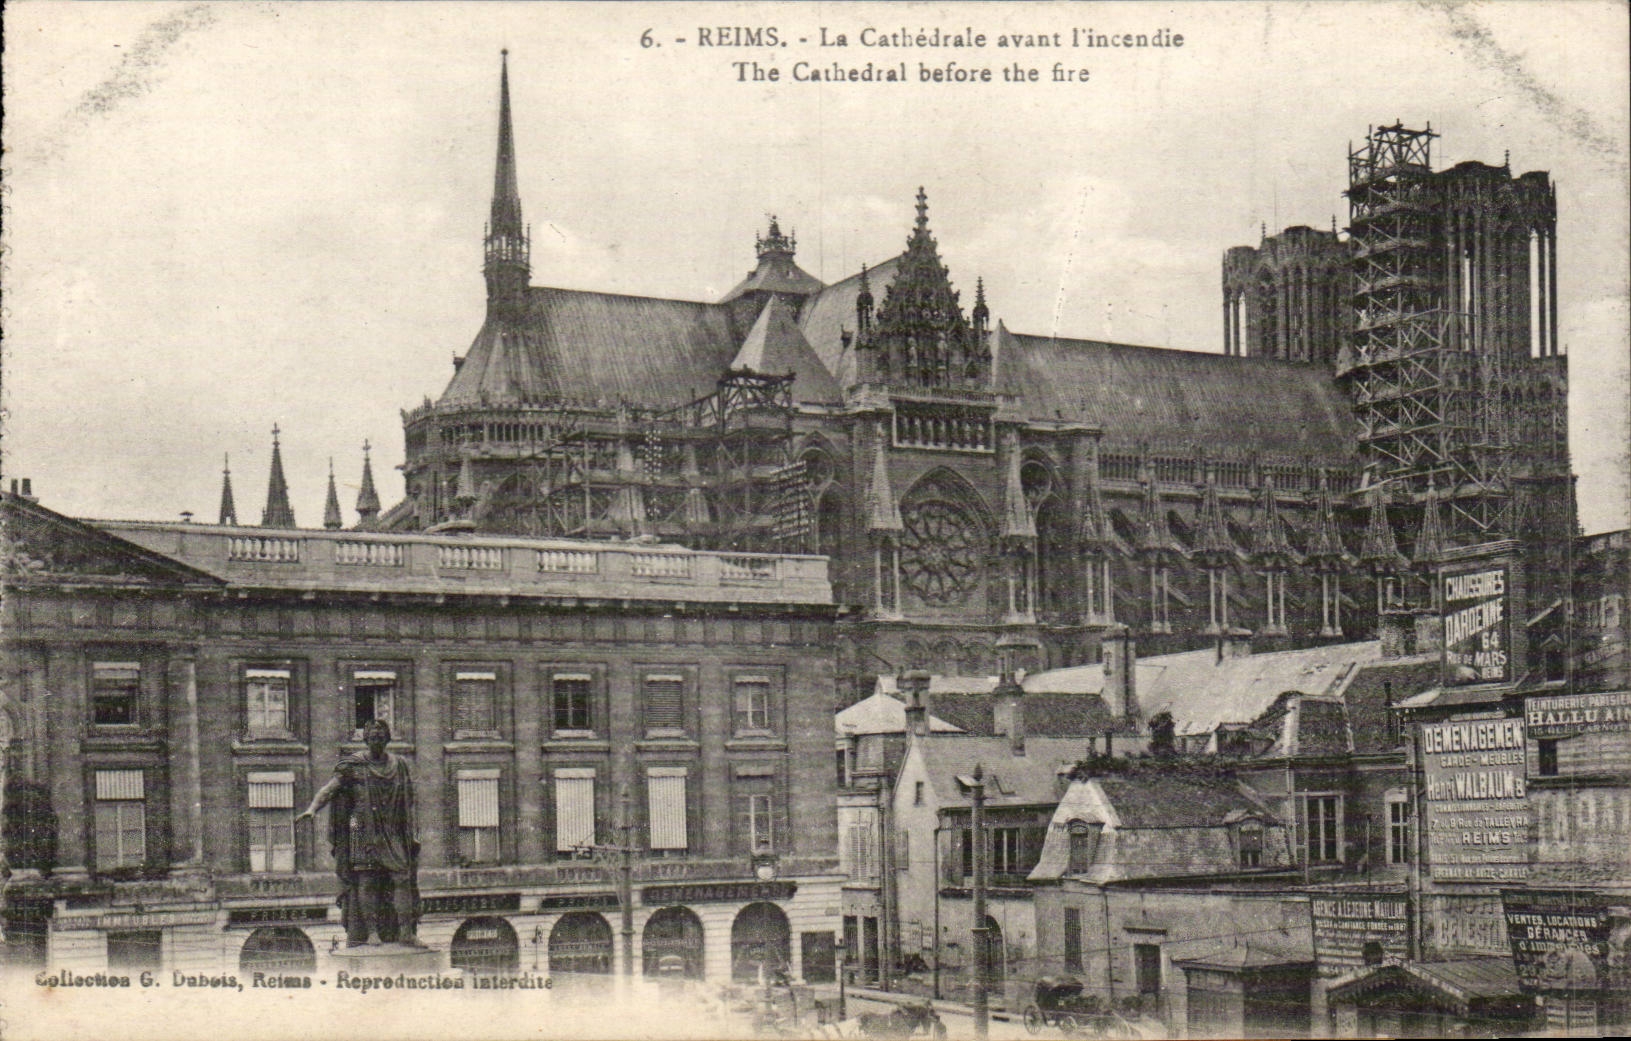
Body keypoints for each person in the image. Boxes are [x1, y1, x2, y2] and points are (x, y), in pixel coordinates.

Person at [296, 719, 423, 947]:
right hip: (361, 831)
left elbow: (409, 802)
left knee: (402, 878)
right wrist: (312, 808)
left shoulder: (400, 765)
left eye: (381, 737)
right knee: (367, 881)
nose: (377, 741)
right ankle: (371, 932)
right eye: (372, 737)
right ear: (365, 739)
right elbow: (330, 790)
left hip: (392, 831)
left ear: (387, 740)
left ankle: (406, 931)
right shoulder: (353, 765)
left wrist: (411, 831)